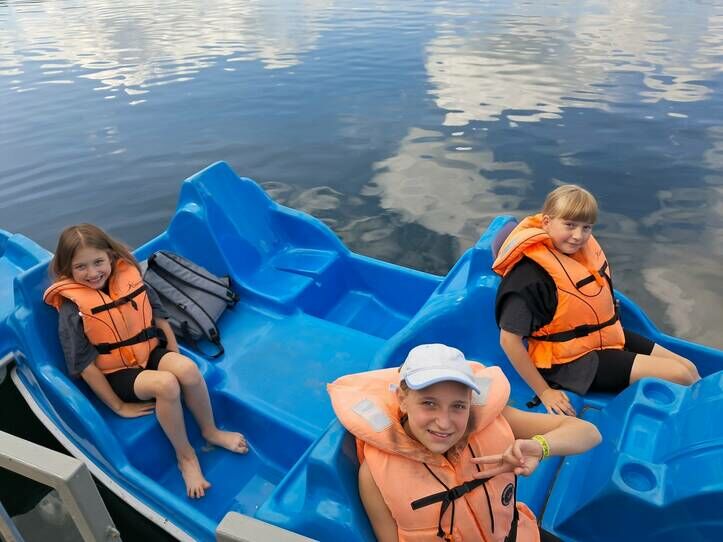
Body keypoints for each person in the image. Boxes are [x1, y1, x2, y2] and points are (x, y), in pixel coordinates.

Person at [44, 224, 248, 499]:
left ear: (110, 256)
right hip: (117, 374)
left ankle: (210, 431)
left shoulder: (128, 276)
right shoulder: (72, 308)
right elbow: (85, 366)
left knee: (187, 369)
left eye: (98, 262)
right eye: (81, 267)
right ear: (68, 268)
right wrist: (118, 406)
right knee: (166, 385)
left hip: (148, 353)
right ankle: (186, 457)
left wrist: (172, 351)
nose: (92, 273)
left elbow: (159, 316)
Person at [328, 343, 601, 542]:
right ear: (402, 399)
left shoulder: (493, 421)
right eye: (429, 403)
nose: (444, 423)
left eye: (458, 406)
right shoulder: (374, 476)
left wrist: (540, 447)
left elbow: (587, 433)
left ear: (470, 403)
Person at [492, 184, 700, 416]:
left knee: (689, 368)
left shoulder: (577, 253)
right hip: (568, 363)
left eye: (586, 227)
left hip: (601, 336)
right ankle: (696, 421)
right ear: (547, 222)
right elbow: (509, 341)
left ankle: (705, 412)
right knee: (679, 375)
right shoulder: (529, 277)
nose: (578, 236)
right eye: (569, 225)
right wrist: (544, 392)